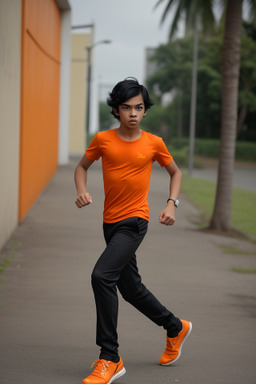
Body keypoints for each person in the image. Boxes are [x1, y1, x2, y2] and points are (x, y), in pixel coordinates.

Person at [74, 77, 192, 384]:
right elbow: (81, 167)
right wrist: (81, 190)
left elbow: (175, 172)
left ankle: (110, 357)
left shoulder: (154, 143)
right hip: (110, 223)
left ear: (145, 110)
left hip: (135, 222)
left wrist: (171, 204)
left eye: (139, 107)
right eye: (126, 107)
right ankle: (175, 326)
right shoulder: (102, 140)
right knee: (130, 288)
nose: (133, 113)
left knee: (101, 276)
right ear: (116, 110)